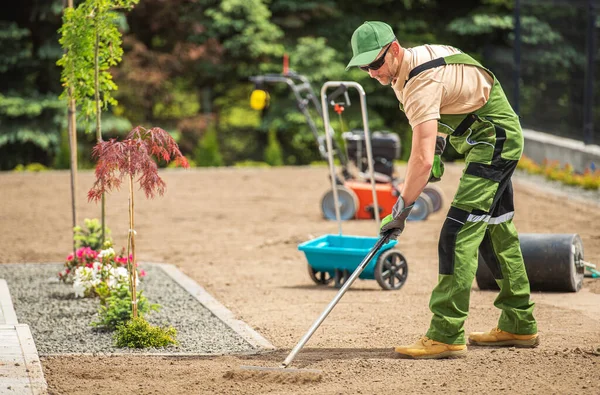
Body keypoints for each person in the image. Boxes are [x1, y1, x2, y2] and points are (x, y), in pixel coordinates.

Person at [346, 21, 538, 359]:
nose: (372, 73)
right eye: (364, 67)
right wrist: (435, 152)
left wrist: (400, 210)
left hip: (494, 141)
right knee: (497, 232)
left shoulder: (420, 79)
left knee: (456, 233)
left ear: (393, 49)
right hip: (487, 139)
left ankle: (447, 333)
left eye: (375, 64)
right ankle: (519, 324)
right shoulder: (403, 72)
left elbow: (418, 159)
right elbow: (442, 116)